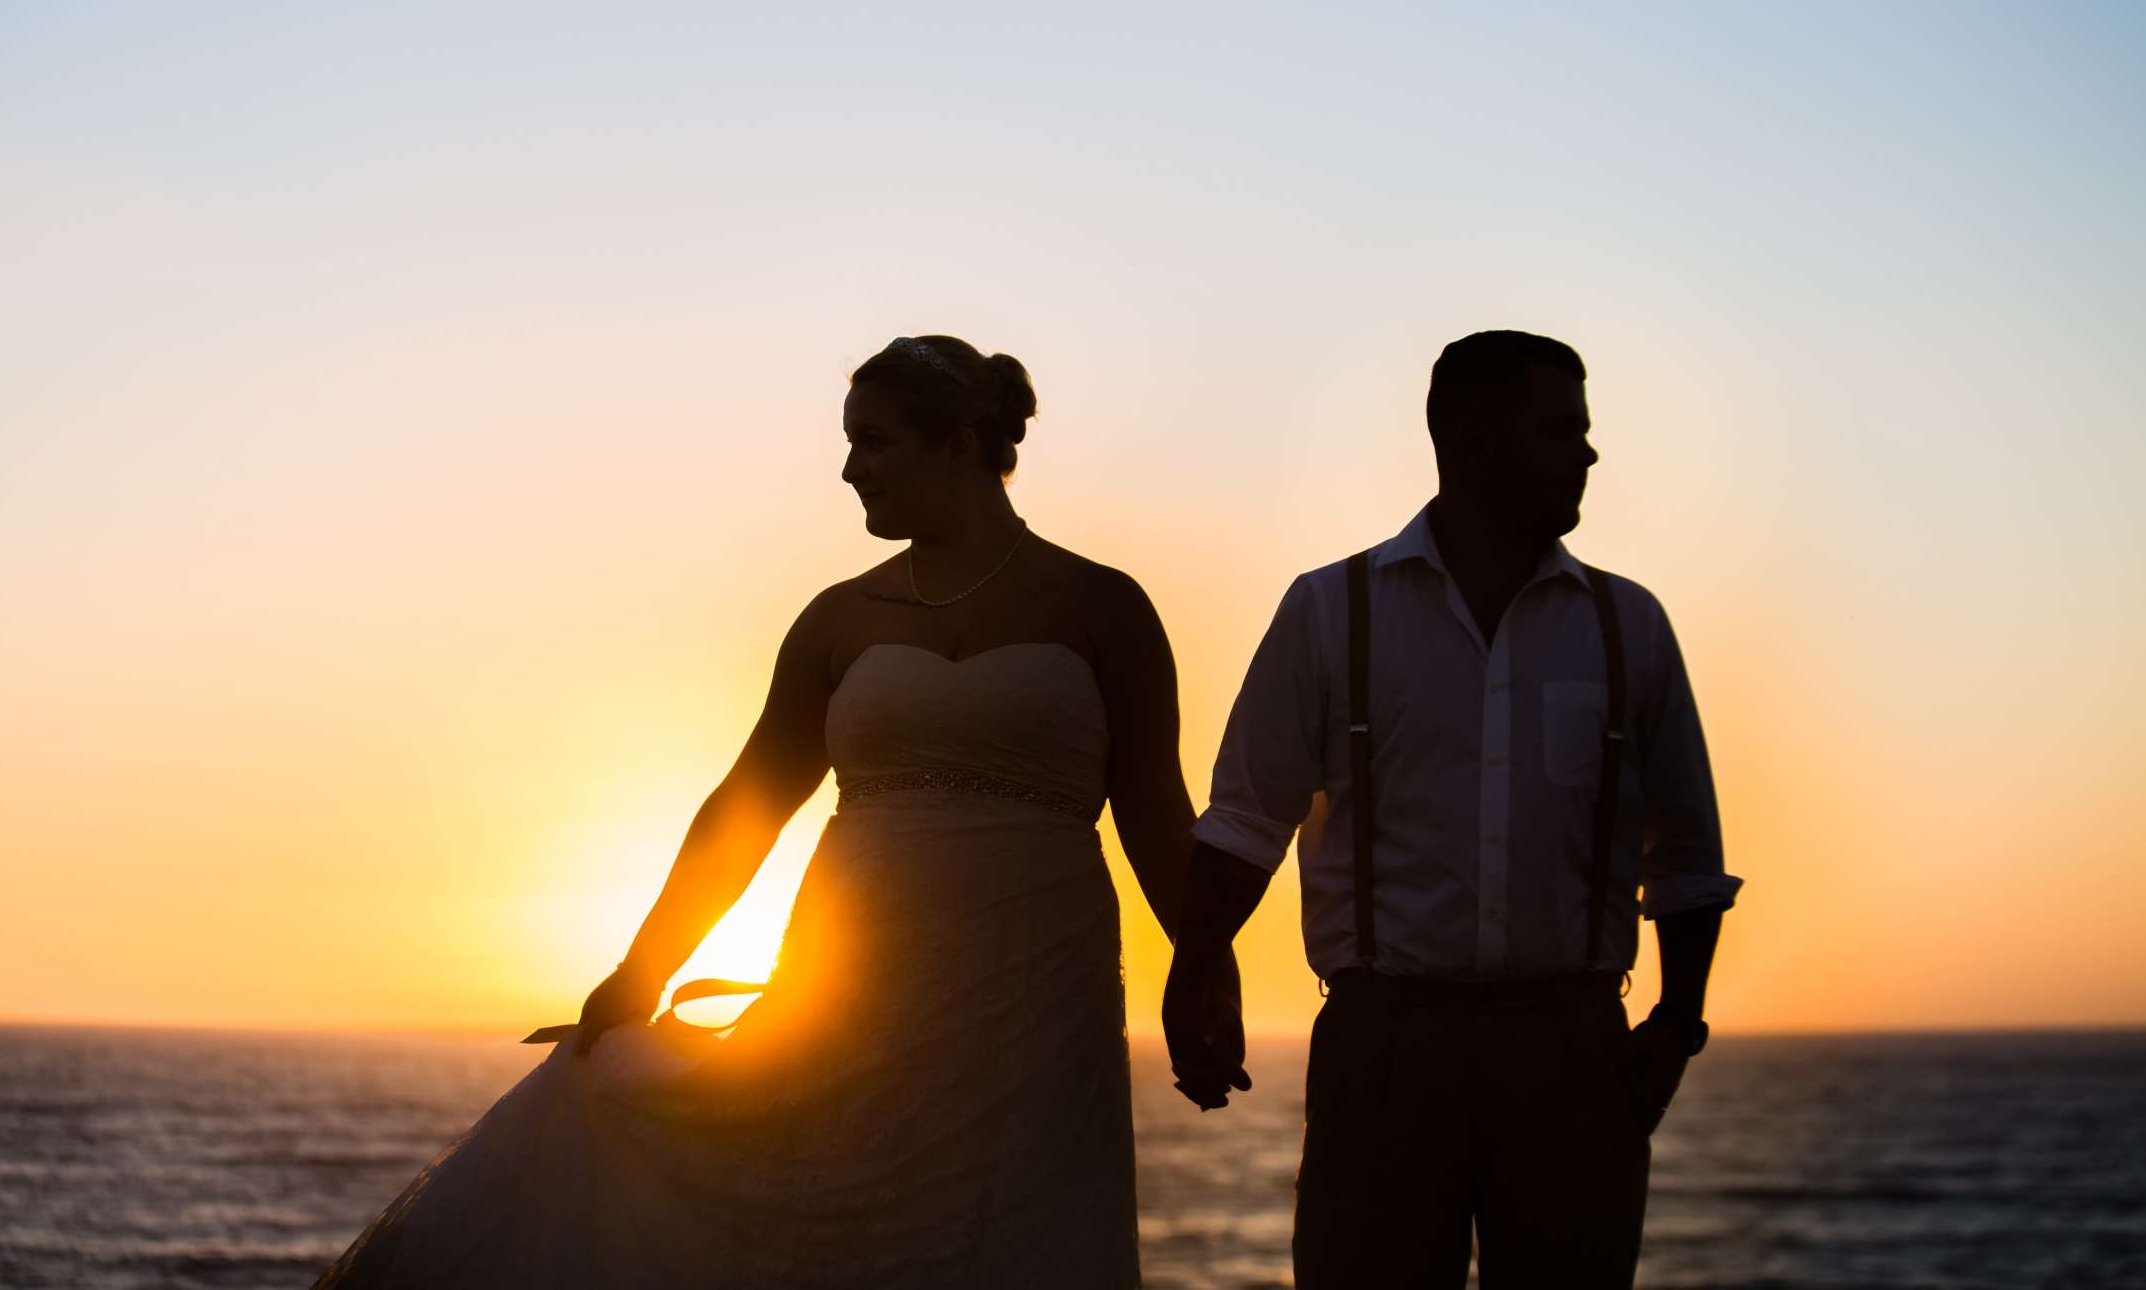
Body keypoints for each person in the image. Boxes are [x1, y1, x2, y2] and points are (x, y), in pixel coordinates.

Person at [317, 334, 1199, 1289]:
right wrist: (643, 969)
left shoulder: (1103, 606)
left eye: (875, 442)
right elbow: (746, 807)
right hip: (857, 983)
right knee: (829, 1221)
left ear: (959, 443)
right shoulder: (838, 619)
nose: (851, 469)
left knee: (1023, 1229)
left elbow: (1156, 816)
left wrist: (1207, 977)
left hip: (1037, 995)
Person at [1161, 330, 1742, 1288]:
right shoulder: (1329, 611)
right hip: (1383, 1043)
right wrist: (1197, 966)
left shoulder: (1628, 624)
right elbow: (1245, 822)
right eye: (1563, 430)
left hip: (1574, 1049)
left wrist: (1677, 1029)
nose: (1588, 454)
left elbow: (1686, 854)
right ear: (1470, 441)